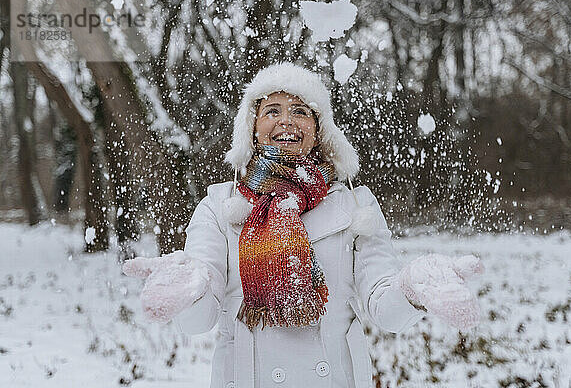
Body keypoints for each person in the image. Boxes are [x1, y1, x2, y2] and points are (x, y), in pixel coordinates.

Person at [123, 62, 484, 388]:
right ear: (252, 128)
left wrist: (411, 289)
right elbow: (199, 319)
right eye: (272, 111)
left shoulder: (355, 205)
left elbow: (384, 306)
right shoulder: (219, 207)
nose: (286, 121)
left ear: (318, 129)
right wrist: (189, 288)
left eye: (300, 111)